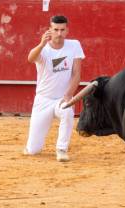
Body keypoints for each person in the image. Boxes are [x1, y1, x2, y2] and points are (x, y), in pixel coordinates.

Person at [24, 15, 85, 162]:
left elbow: (77, 73)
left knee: (67, 112)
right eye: (56, 29)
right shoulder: (43, 49)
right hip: (43, 100)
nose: (59, 33)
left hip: (61, 98)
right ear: (50, 30)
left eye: (62, 30)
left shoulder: (74, 45)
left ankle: (61, 149)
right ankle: (32, 146)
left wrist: (68, 95)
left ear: (67, 30)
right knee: (33, 150)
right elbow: (30, 59)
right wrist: (41, 44)